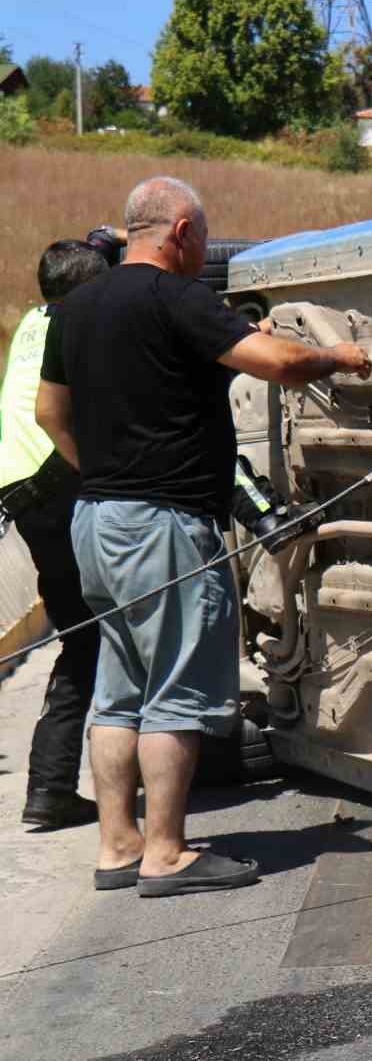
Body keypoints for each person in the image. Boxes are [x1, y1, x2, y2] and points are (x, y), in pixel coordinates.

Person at [35, 176, 372, 896]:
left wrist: (104, 471)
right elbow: (277, 364)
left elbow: (47, 412)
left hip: (95, 521)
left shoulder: (74, 307)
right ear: (182, 230)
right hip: (165, 524)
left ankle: (119, 846)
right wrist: (338, 358)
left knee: (119, 690)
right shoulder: (178, 297)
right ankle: (166, 853)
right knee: (178, 689)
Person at [3, 241, 109, 829]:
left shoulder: (31, 321)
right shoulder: (77, 324)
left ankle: (51, 785)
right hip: (54, 481)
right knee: (104, 629)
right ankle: (56, 785)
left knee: (82, 632)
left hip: (20, 490)